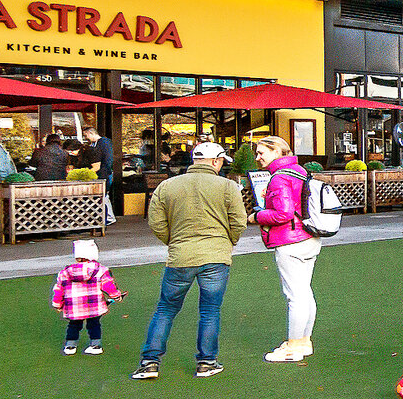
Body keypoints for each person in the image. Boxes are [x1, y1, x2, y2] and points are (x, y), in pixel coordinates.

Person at [135, 141, 248, 380]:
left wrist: (174, 242)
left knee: (165, 309)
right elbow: (239, 221)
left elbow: (156, 223)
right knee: (210, 311)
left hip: (180, 256)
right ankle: (207, 362)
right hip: (216, 256)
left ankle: (149, 362)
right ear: (216, 162)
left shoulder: (167, 186)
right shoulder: (228, 186)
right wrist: (228, 242)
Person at [250, 136, 324, 364]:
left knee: (295, 295)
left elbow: (282, 214)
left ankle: (293, 345)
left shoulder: (279, 178)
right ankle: (304, 341)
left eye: (262, 152)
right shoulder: (300, 171)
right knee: (304, 292)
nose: (258, 157)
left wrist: (256, 216)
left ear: (277, 152)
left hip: (290, 241)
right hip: (310, 236)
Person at [51, 237, 122, 355]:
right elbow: (108, 285)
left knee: (73, 325)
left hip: (74, 306)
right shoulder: (100, 270)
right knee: (94, 324)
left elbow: (59, 289)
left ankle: (70, 346)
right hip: (94, 305)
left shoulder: (65, 272)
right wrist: (116, 296)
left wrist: (57, 304)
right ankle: (95, 345)